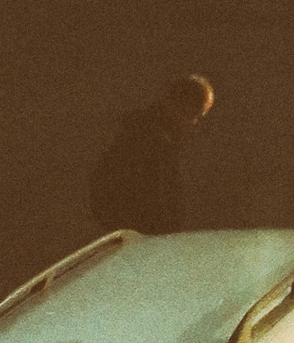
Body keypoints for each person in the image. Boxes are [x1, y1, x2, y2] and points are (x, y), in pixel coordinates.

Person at [86, 73, 215, 236]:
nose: (194, 122)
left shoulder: (141, 132)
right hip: (144, 238)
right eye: (196, 113)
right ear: (183, 104)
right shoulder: (146, 139)